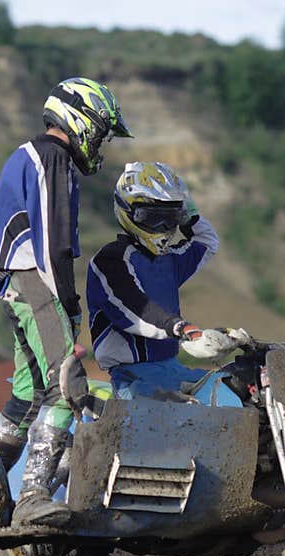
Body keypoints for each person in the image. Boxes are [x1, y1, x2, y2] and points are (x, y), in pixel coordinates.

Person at [0, 77, 132, 528]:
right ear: (81, 121)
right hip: (36, 282)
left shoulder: (36, 156)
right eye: (102, 132)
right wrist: (68, 301)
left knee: (27, 395)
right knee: (66, 385)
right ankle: (30, 497)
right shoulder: (53, 159)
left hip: (18, 282)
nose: (102, 143)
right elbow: (53, 242)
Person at [86, 161, 225, 400]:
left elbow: (207, 242)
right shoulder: (110, 259)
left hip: (172, 367)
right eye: (153, 217)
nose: (163, 227)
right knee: (173, 428)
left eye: (170, 218)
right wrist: (181, 327)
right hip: (133, 377)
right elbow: (135, 309)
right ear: (130, 212)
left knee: (234, 388)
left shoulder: (168, 258)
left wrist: (190, 214)